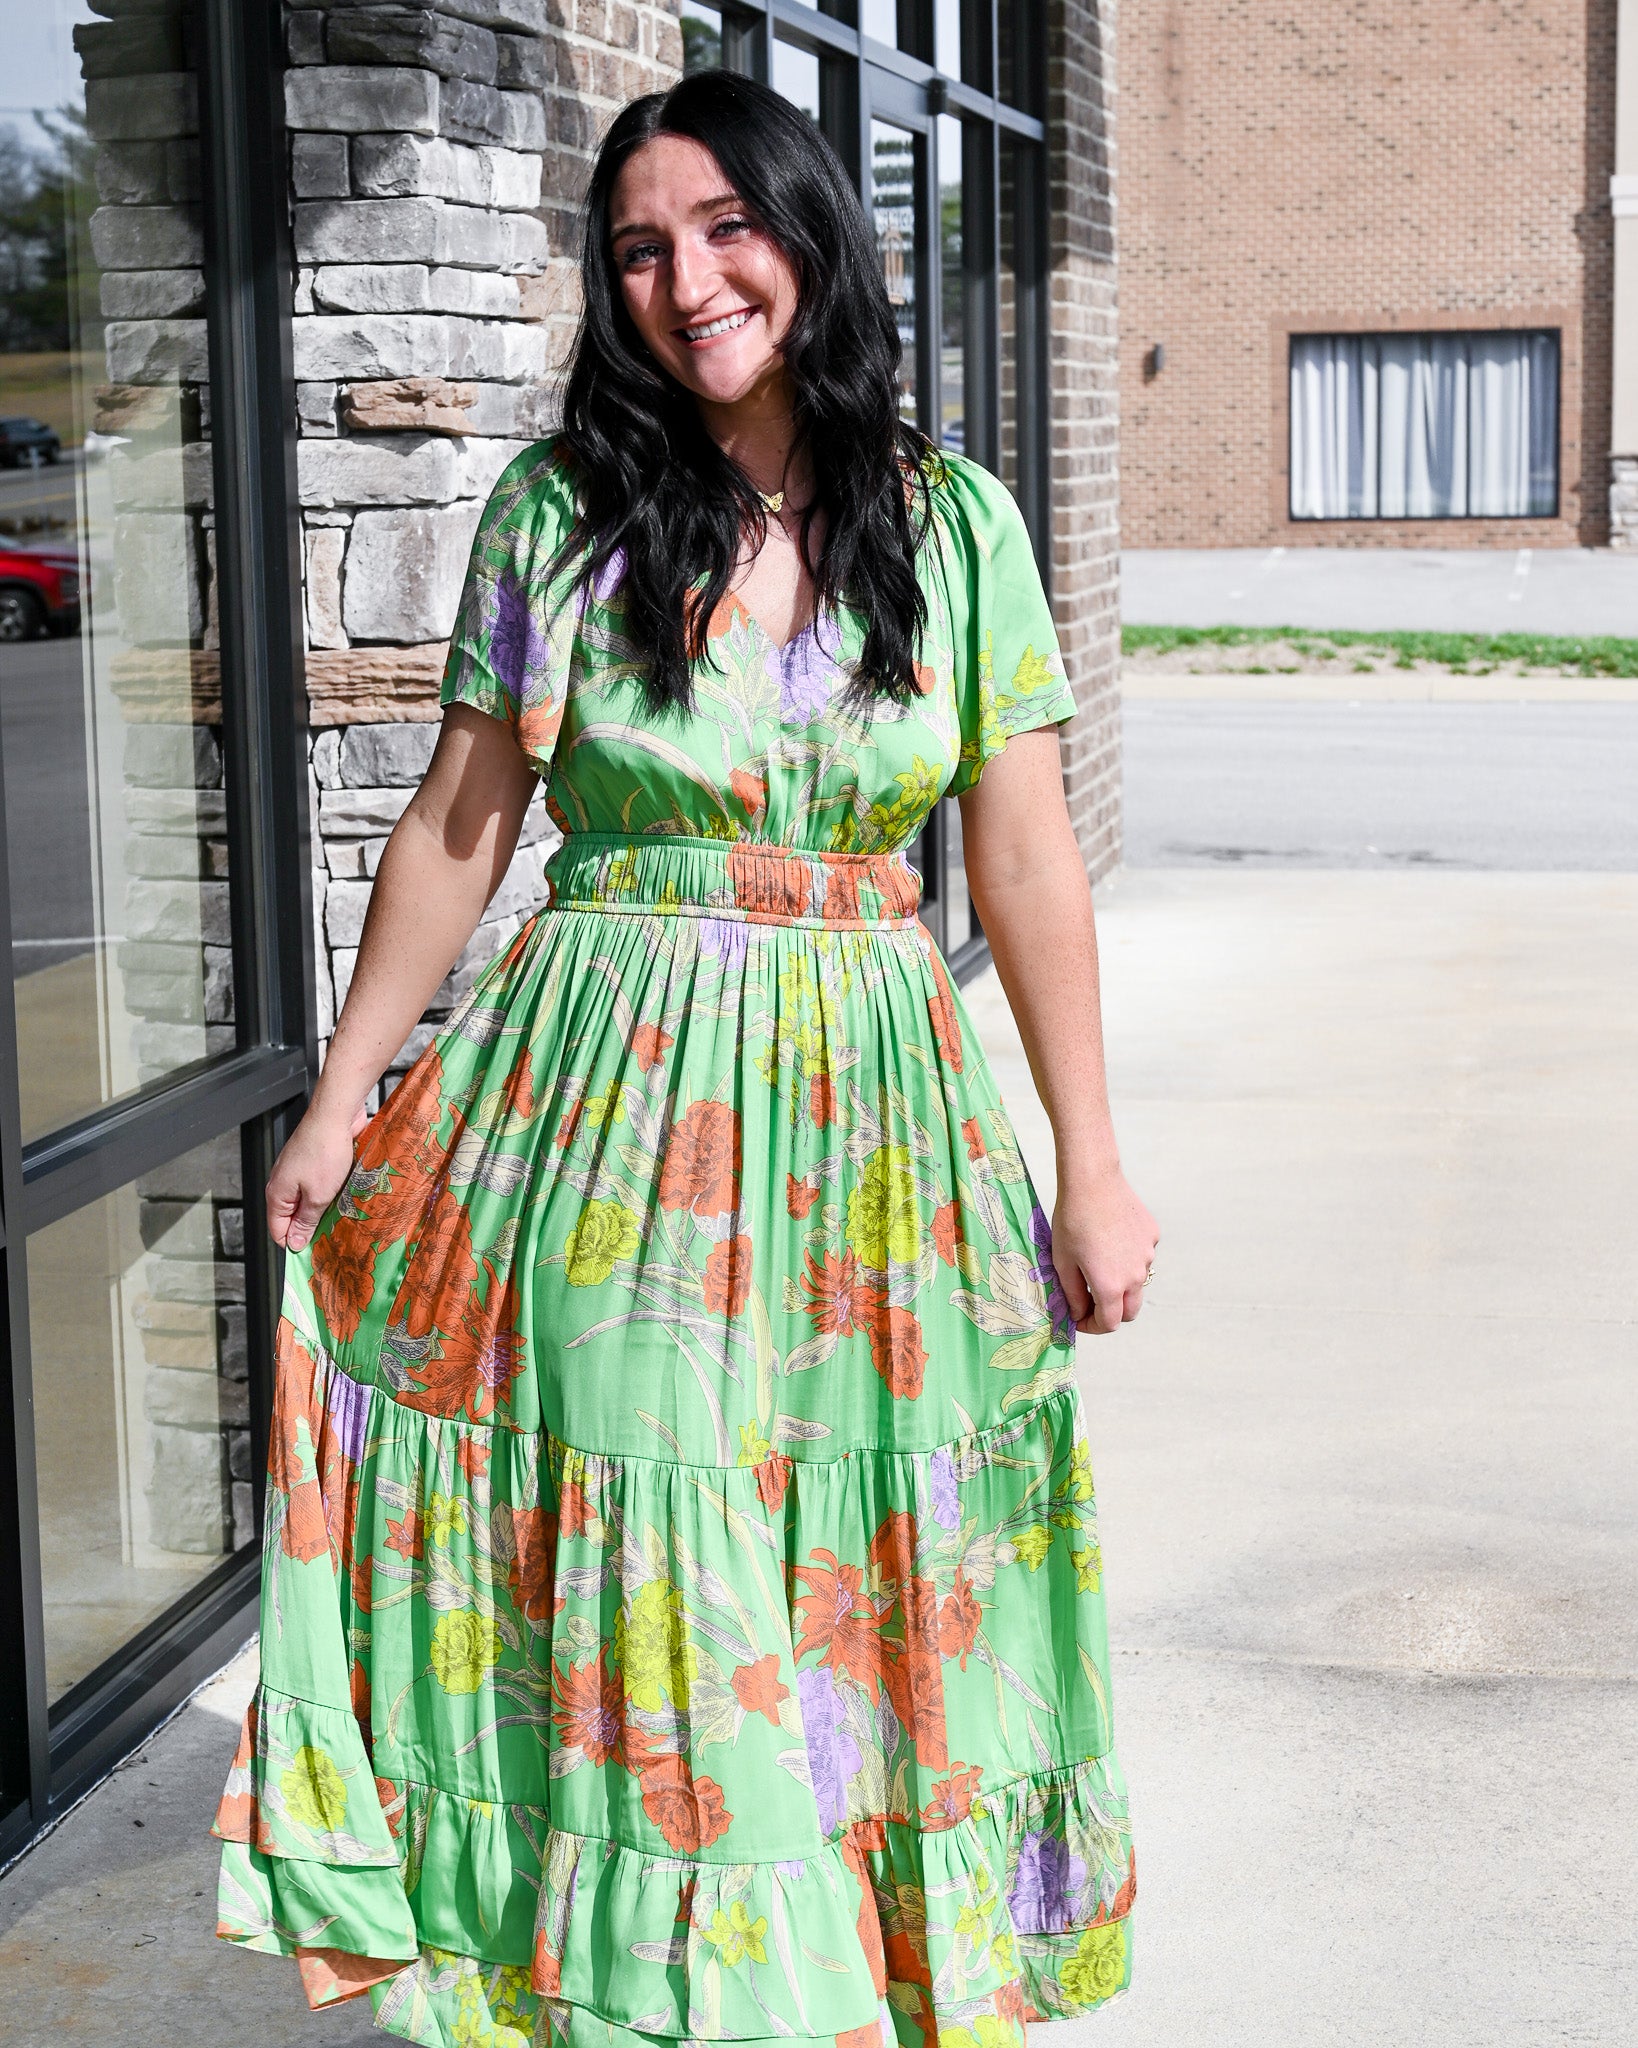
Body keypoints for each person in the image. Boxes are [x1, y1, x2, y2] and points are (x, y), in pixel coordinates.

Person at [210, 68, 1157, 2048]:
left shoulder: (955, 525)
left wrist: (1093, 1154)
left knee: (845, 1549)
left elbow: (1028, 859)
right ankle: (683, 1995)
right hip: (600, 1116)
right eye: (638, 247)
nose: (685, 279)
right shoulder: (563, 516)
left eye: (723, 226)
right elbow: (464, 825)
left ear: (811, 233)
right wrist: (344, 1086)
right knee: (658, 1544)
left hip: (871, 1128)